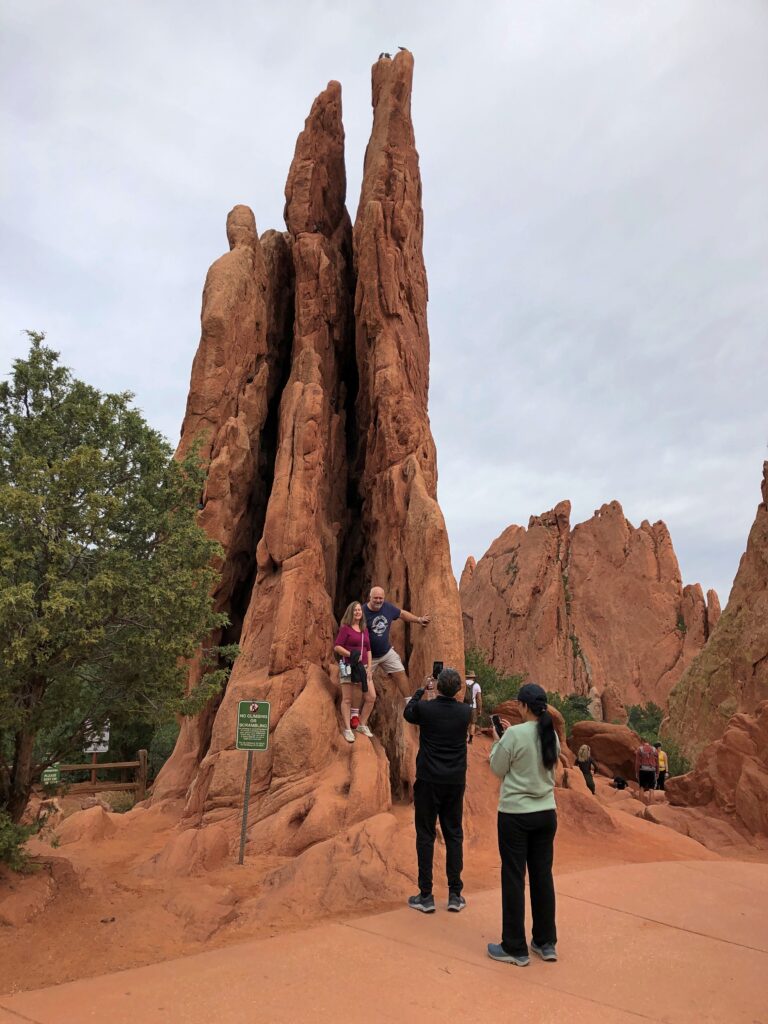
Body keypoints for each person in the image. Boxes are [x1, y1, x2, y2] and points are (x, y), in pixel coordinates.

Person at [487, 683, 560, 967]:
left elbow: (497, 768)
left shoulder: (514, 735)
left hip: (515, 815)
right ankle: (545, 942)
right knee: (543, 876)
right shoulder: (549, 734)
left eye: (519, 703)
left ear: (524, 706)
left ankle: (514, 947)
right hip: (546, 814)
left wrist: (498, 740)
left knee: (514, 876)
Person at [403, 667, 472, 914]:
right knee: (454, 834)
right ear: (457, 690)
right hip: (454, 781)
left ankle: (426, 895)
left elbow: (408, 712)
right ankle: (455, 894)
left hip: (428, 779)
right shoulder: (465, 713)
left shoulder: (425, 709)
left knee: (425, 834)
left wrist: (422, 688)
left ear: (438, 686)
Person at [363, 586, 430, 696]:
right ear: (370, 597)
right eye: (375, 598)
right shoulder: (363, 611)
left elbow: (402, 614)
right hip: (369, 656)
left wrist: (419, 620)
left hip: (386, 652)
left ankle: (409, 702)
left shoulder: (387, 608)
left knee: (400, 673)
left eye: (381, 598)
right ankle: (356, 710)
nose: (378, 600)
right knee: (362, 683)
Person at [334, 601, 373, 743]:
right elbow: (337, 647)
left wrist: (369, 667)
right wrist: (351, 655)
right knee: (347, 699)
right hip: (348, 666)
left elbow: (368, 649)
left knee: (368, 696)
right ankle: (347, 729)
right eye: (355, 610)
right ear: (351, 612)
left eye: (359, 610)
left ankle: (360, 723)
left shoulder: (364, 629)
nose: (358, 612)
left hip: (361, 668)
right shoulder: (346, 629)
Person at [464, 670, 482, 744]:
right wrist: (479, 709)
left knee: (465, 722)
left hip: (464, 705)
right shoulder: (477, 685)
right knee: (473, 723)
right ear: (473, 677)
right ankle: (470, 740)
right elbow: (479, 699)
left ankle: (464, 737)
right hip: (473, 707)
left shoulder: (463, 684)